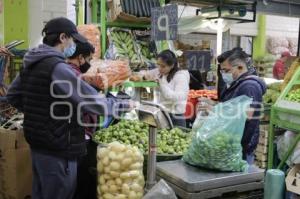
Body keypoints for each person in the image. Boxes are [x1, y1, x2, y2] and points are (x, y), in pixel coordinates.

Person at [6, 17, 131, 199]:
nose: (73, 45)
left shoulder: (31, 63)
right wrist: (122, 105)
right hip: (59, 148)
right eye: (72, 39)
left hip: (38, 144)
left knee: (40, 193)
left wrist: (39, 112)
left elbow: (13, 95)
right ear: (63, 37)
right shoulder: (57, 67)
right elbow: (92, 102)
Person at [217, 49, 266, 164]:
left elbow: (248, 115)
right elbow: (232, 105)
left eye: (226, 70)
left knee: (240, 177)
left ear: (239, 67)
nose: (224, 74)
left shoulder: (249, 86)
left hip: (243, 145)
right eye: (222, 71)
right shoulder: (236, 83)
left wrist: (217, 110)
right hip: (233, 141)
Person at [66, 40, 97, 199]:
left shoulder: (69, 71)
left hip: (74, 134)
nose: (90, 63)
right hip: (79, 134)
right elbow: (87, 105)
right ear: (80, 57)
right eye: (89, 59)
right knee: (80, 180)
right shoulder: (74, 74)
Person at [132, 50, 190, 127]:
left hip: (175, 116)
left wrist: (161, 84)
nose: (159, 68)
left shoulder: (180, 76)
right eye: (158, 65)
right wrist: (144, 77)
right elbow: (146, 73)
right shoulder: (160, 71)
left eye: (163, 66)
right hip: (163, 113)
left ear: (172, 65)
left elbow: (176, 98)